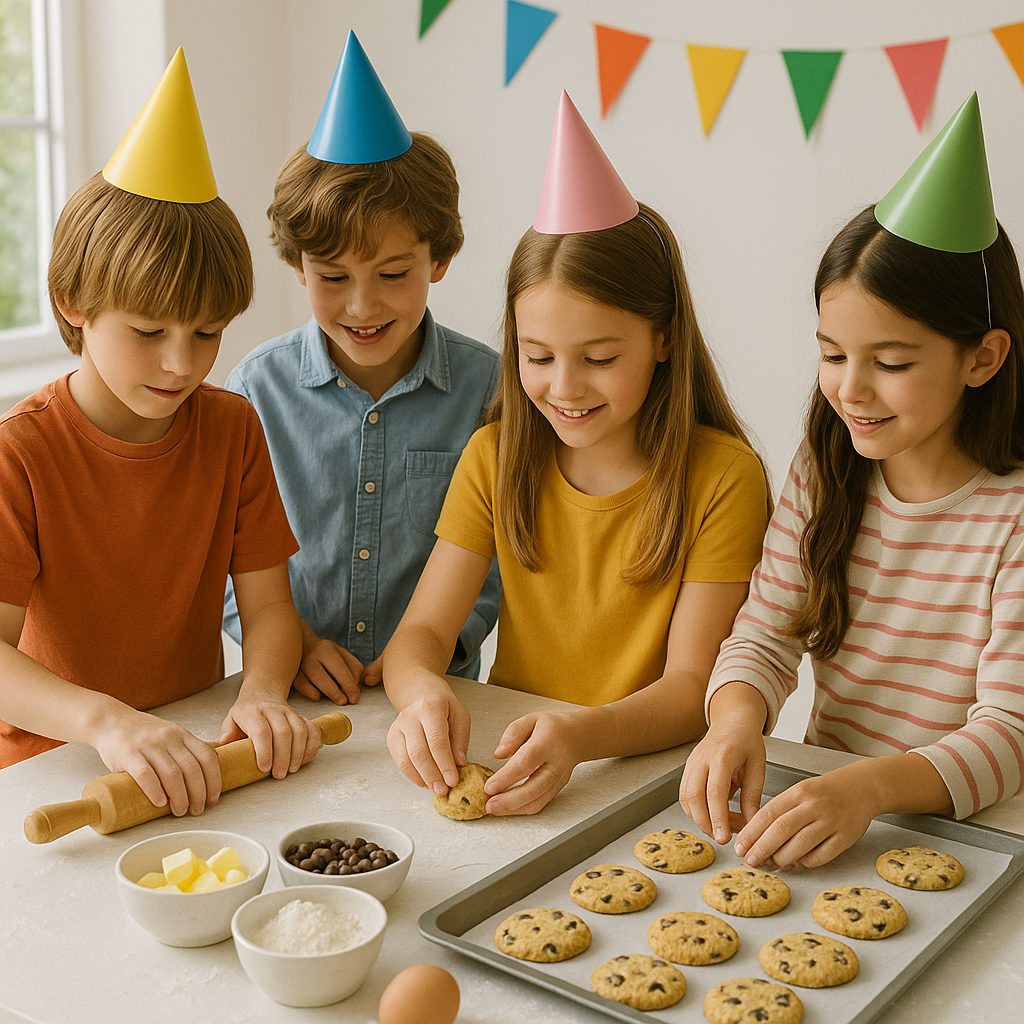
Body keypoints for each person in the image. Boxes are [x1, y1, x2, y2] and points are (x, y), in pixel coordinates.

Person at [383, 92, 770, 815]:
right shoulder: (494, 456)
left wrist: (577, 735)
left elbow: (692, 691)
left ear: (663, 338)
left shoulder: (723, 478)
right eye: (538, 356)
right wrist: (423, 692)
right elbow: (422, 634)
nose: (564, 388)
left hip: (656, 785)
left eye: (597, 357)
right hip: (514, 759)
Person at [679, 93, 1024, 868]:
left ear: (984, 357)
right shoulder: (827, 470)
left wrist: (868, 788)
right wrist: (735, 718)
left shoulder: (1012, 515)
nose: (851, 391)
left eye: (891, 363)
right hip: (827, 822)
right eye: (833, 355)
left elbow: (1011, 734)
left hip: (977, 845)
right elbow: (765, 636)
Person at [0, 49, 321, 815]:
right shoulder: (21, 450)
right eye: (149, 330)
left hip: (195, 754)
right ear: (73, 300)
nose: (182, 364)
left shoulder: (231, 426)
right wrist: (106, 721)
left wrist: (266, 691)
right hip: (54, 772)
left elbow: (272, 610)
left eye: (208, 333)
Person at [222, 31, 500, 705]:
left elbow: (502, 557)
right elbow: (220, 562)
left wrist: (426, 650)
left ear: (440, 259)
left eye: (394, 273)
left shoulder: (489, 389)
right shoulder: (255, 390)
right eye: (333, 276)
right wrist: (290, 641)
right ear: (298, 267)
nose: (362, 304)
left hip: (442, 699)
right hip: (291, 699)